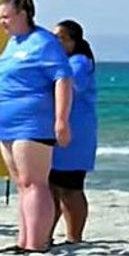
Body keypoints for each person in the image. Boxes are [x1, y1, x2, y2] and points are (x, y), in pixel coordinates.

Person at [0, 0, 73, 253]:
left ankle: (37, 243)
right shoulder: (12, 44)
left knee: (34, 181)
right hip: (7, 124)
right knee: (21, 184)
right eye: (0, 17)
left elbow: (62, 78)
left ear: (23, 14)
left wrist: (61, 119)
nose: (2, 22)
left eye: (6, 16)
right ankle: (23, 240)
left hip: (32, 122)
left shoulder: (43, 42)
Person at [49, 20, 97, 244]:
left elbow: (68, 86)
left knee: (70, 189)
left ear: (73, 41)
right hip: (58, 136)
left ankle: (74, 236)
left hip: (75, 134)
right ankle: (46, 234)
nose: (55, 42)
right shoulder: (63, 62)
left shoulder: (79, 63)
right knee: (52, 188)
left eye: (60, 37)